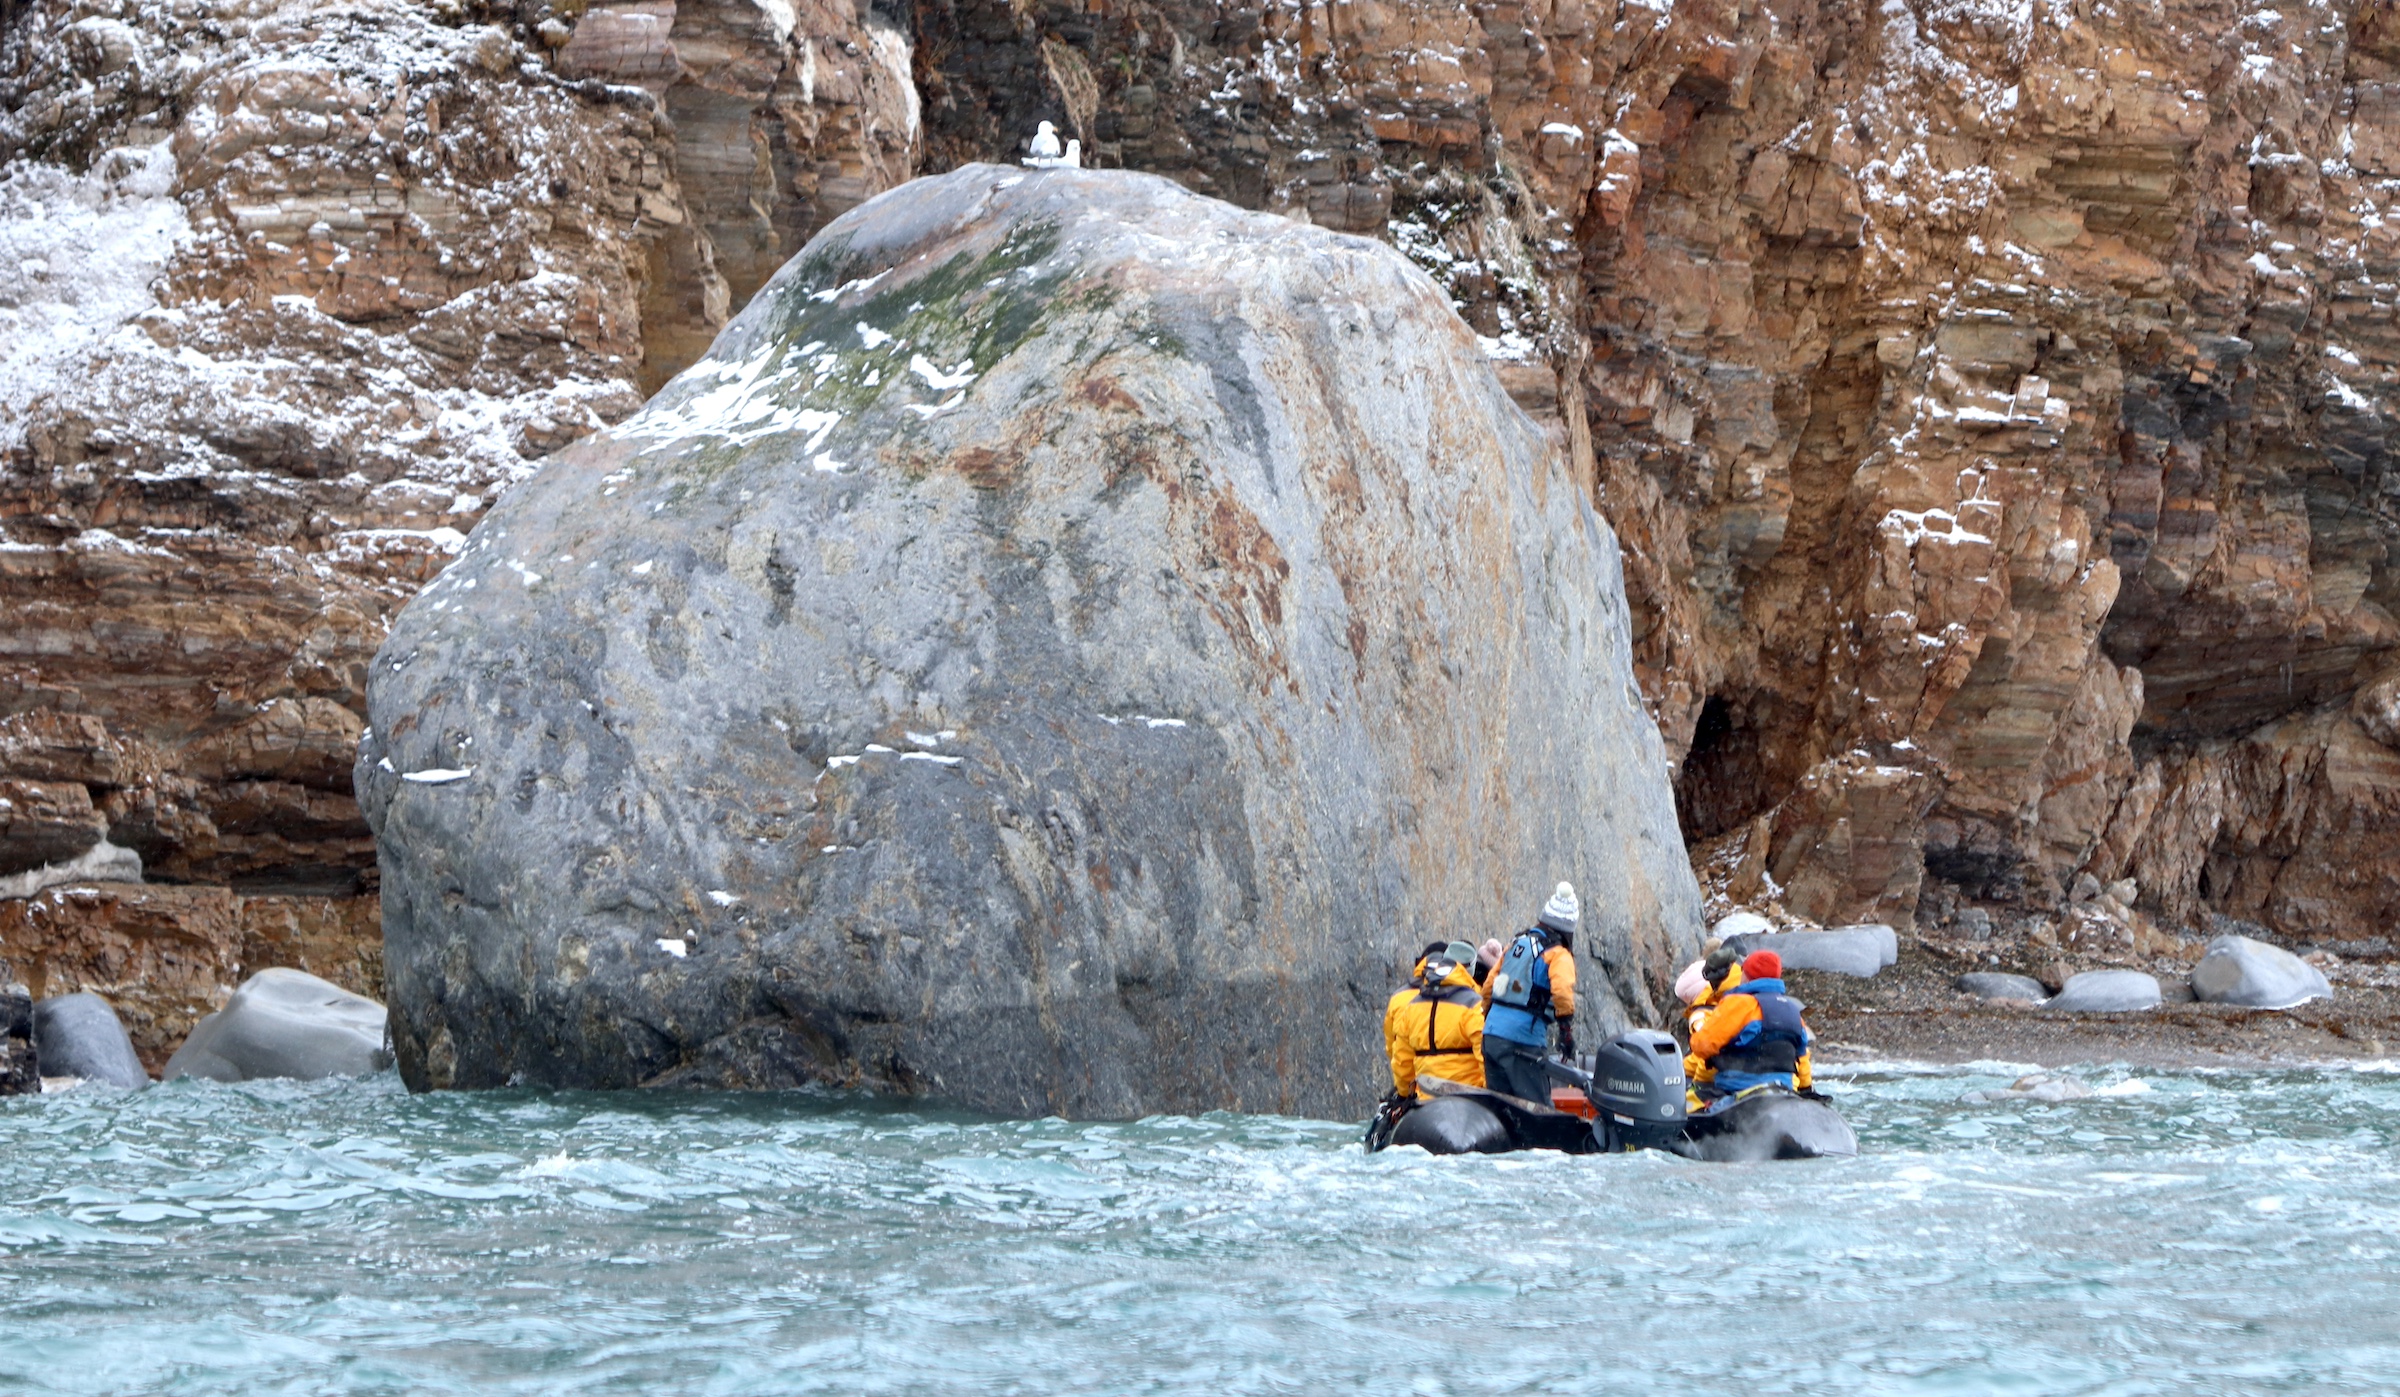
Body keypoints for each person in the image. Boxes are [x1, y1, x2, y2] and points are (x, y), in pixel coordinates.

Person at [1480, 882, 1579, 1104]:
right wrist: (1566, 1032)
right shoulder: (1558, 954)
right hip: (1522, 1041)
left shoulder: (1515, 944)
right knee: (1537, 1109)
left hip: (1491, 1037)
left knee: (1500, 1108)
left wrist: (1490, 1020)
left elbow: (1488, 987)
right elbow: (1562, 992)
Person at [1688, 949, 1815, 1097]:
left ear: (1747, 976)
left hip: (1736, 1089)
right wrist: (1805, 1088)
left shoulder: (1737, 1004)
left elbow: (1702, 1046)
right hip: (1783, 1089)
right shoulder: (1792, 1010)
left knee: (1691, 1103)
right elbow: (1802, 1058)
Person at [1385, 941, 1486, 1100]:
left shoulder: (1413, 1005)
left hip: (1425, 1098)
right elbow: (1485, 1057)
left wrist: (1405, 1093)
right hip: (1468, 1097)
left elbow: (1402, 1060)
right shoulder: (1474, 1005)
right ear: (1471, 969)